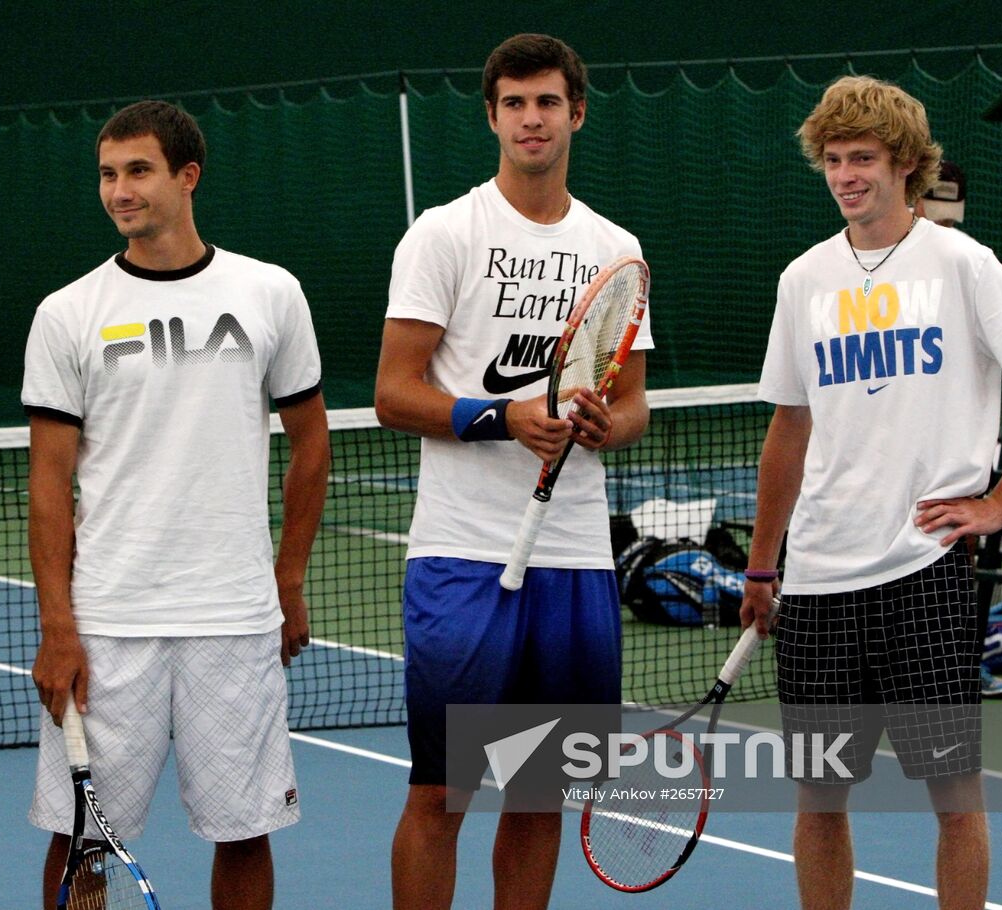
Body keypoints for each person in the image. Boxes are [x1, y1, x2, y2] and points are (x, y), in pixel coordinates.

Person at [741, 75, 1002, 910]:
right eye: (832, 159)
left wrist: (1000, 501)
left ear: (905, 166)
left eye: (864, 158)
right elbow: (790, 427)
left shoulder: (962, 263)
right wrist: (760, 566)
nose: (846, 174)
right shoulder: (804, 279)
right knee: (820, 801)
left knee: (953, 796)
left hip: (922, 577)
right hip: (818, 582)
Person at [23, 100, 329, 910]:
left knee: (245, 831)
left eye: (138, 171)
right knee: (81, 838)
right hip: (109, 620)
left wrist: (287, 579)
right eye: (108, 173)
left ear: (187, 176)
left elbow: (312, 441)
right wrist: (58, 627)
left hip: (233, 617)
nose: (120, 190)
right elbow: (49, 483)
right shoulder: (68, 313)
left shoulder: (270, 292)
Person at [375, 34, 652, 910]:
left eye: (547, 102)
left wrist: (608, 427)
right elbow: (392, 392)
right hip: (462, 557)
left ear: (576, 111)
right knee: (442, 793)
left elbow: (636, 405)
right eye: (514, 103)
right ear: (493, 115)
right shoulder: (444, 234)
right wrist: (500, 418)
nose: (531, 119)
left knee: (540, 794)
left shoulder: (615, 246)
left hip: (573, 556)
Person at [916, 158, 1002, 699]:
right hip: (870, 484)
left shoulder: (971, 265)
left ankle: (958, 665)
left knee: (961, 561)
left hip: (948, 476)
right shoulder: (838, 270)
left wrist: (999, 500)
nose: (944, 226)